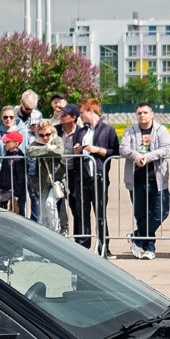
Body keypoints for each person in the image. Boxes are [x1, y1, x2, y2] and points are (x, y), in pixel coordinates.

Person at [121, 103, 170, 258]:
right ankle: (149, 248)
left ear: (152, 114)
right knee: (141, 215)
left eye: (145, 112)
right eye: (139, 113)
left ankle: (136, 236)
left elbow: (166, 148)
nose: (142, 115)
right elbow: (123, 148)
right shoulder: (130, 131)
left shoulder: (161, 130)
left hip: (157, 179)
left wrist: (147, 157)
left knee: (160, 213)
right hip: (136, 180)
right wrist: (135, 156)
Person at [66, 98, 118, 251]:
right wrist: (77, 149)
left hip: (99, 176)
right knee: (82, 212)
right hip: (82, 176)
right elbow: (75, 151)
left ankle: (104, 246)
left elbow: (115, 151)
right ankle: (84, 246)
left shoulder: (108, 130)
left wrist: (98, 150)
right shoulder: (81, 131)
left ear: (90, 111)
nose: (80, 116)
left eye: (82, 112)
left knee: (100, 212)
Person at [25, 115, 67, 231]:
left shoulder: (57, 139)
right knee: (43, 213)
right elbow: (30, 152)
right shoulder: (37, 142)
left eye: (47, 134)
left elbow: (59, 151)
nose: (45, 138)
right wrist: (48, 148)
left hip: (57, 179)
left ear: (52, 131)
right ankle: (47, 235)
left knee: (50, 204)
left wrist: (42, 150)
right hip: (43, 182)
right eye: (42, 135)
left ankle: (56, 231)